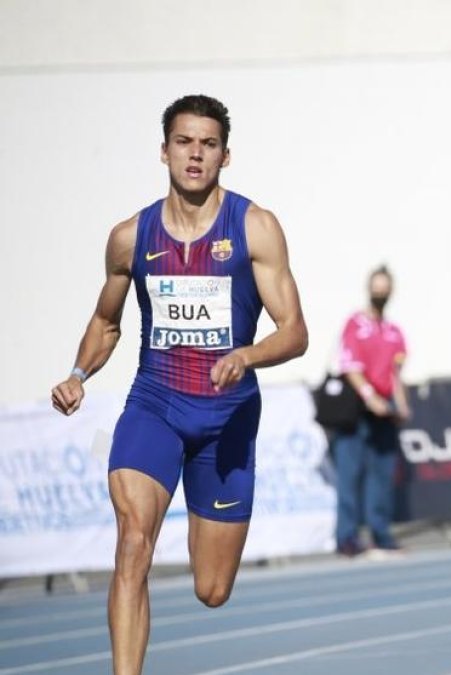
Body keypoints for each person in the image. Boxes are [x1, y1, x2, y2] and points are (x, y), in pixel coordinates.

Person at [49, 94, 308, 674]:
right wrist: (78, 374)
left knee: (212, 588)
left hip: (227, 417)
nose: (196, 154)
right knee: (133, 541)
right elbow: (106, 321)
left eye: (208, 144)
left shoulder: (255, 227)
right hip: (155, 406)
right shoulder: (129, 237)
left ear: (226, 155)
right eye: (185, 142)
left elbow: (294, 333)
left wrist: (247, 353)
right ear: (163, 151)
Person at [332, 265, 412, 557]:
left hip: (384, 411)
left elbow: (395, 372)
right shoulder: (355, 323)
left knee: (382, 473)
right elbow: (349, 365)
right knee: (350, 475)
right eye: (376, 287)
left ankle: (380, 532)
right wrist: (369, 396)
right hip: (356, 411)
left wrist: (400, 405)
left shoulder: (394, 332)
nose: (381, 293)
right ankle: (347, 537)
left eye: (385, 288)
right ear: (369, 288)